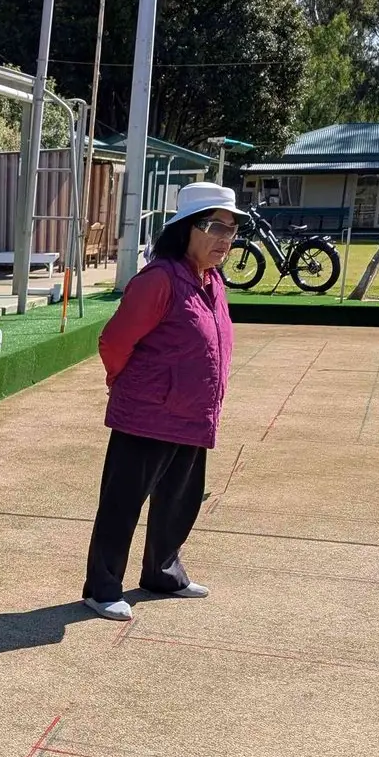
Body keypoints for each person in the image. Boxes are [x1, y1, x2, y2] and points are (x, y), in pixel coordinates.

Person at [82, 181, 239, 621]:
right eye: (214, 226)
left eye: (231, 230)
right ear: (186, 229)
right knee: (123, 504)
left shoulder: (212, 281)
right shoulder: (159, 280)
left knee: (179, 501)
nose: (224, 239)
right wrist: (123, 381)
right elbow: (114, 341)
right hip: (147, 415)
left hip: (195, 415)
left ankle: (162, 573)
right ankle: (102, 587)